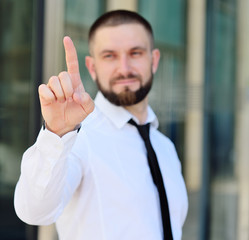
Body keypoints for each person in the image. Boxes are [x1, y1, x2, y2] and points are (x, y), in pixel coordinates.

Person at [14, 10, 188, 240]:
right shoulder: (78, 138)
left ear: (154, 60)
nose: (124, 68)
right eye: (109, 56)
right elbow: (35, 212)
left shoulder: (165, 146)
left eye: (135, 53)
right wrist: (57, 134)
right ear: (92, 67)